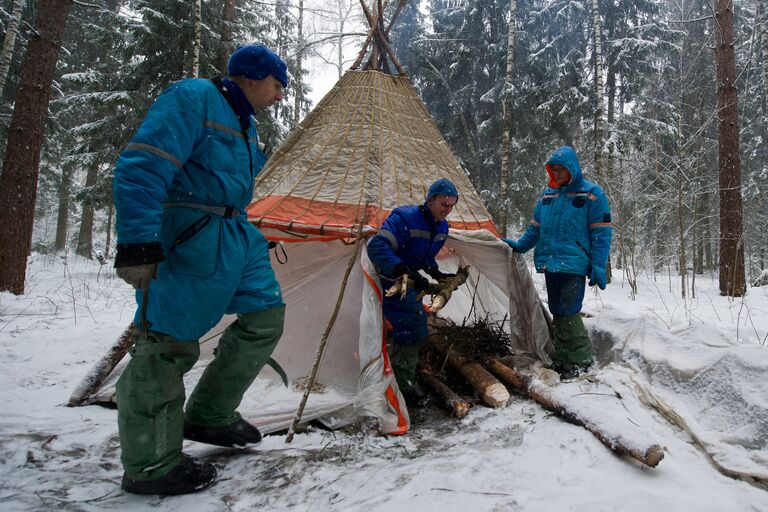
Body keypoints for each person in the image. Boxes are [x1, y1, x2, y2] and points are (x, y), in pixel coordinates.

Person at [111, 44, 288, 495]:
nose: (280, 96)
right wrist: (137, 242)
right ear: (251, 75)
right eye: (277, 84)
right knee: (166, 342)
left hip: (235, 234)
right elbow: (142, 165)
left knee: (266, 316)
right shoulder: (194, 98)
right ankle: (151, 464)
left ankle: (209, 415)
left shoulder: (244, 124)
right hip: (190, 233)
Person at [503, 146, 612, 379]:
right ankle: (564, 358)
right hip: (551, 263)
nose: (558, 174)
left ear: (571, 168)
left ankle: (580, 359)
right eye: (554, 170)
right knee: (557, 310)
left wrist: (599, 265)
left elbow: (601, 233)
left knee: (568, 310)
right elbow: (535, 228)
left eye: (561, 169)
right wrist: (520, 245)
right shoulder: (547, 196)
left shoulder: (591, 194)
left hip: (574, 263)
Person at [367, 178, 460, 408]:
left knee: (414, 323)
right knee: (415, 323)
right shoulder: (405, 218)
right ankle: (403, 384)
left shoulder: (442, 226)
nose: (446, 210)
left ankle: (400, 372)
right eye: (443, 203)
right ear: (430, 199)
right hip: (389, 280)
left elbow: (425, 256)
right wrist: (400, 269)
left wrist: (436, 275)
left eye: (451, 205)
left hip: (409, 279)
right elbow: (376, 247)